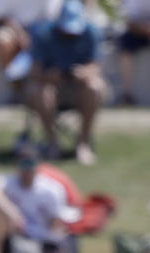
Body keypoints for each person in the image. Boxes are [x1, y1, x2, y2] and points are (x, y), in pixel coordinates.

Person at [27, 0, 106, 165]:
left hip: (79, 90)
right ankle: (53, 143)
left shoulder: (91, 32)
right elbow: (34, 71)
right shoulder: (43, 34)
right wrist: (50, 76)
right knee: (38, 90)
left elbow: (96, 66)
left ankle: (83, 143)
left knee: (95, 86)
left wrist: (84, 73)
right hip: (52, 89)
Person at [0, 145, 70, 253]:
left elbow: (56, 224)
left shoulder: (51, 190)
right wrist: (13, 213)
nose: (27, 169)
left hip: (39, 241)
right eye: (23, 163)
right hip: (12, 236)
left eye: (31, 163)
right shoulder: (7, 181)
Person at [117, 0, 150, 106]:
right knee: (125, 47)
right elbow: (129, 21)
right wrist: (145, 30)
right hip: (136, 32)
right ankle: (127, 95)